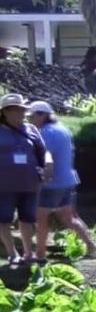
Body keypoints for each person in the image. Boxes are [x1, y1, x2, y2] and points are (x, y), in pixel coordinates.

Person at [28, 101, 96, 261]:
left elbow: (44, 158)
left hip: (51, 183)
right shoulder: (63, 130)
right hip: (68, 181)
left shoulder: (45, 133)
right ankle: (92, 247)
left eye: (32, 116)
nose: (30, 120)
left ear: (42, 115)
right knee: (69, 218)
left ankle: (39, 254)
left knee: (41, 218)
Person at [0, 93, 47, 264]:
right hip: (3, 185)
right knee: (3, 219)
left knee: (28, 218)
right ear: (4, 112)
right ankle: (13, 254)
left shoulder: (31, 129)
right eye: (13, 110)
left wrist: (45, 171)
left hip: (29, 184)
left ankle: (28, 253)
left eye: (20, 109)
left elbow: (42, 152)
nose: (18, 113)